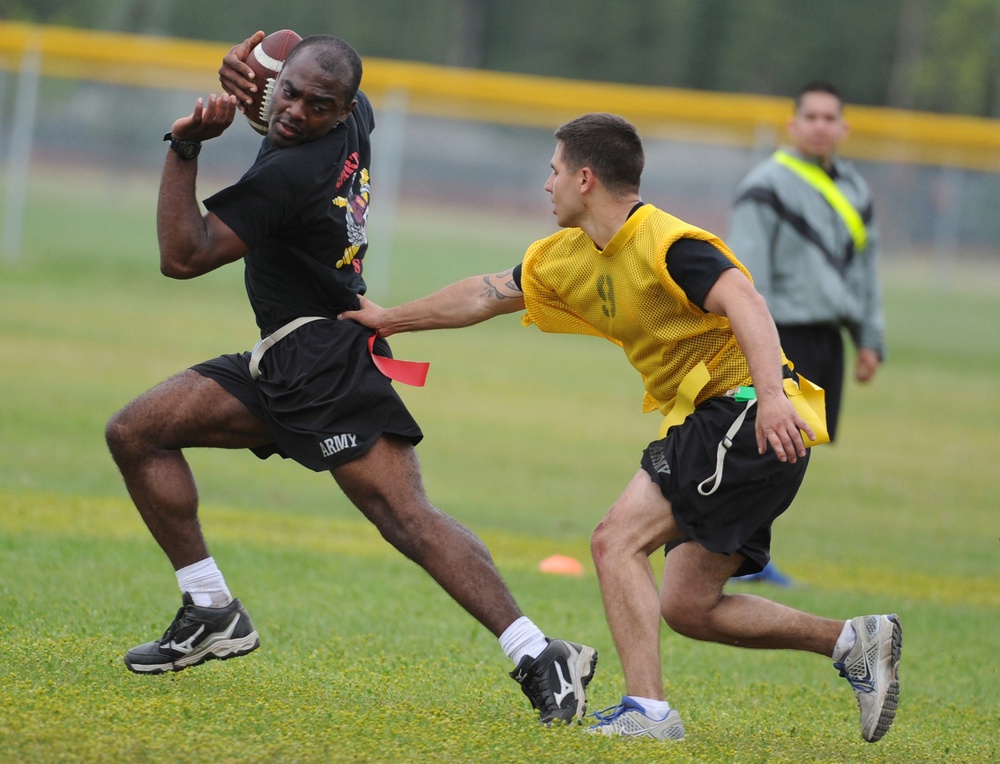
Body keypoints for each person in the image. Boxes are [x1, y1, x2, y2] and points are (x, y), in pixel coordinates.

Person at [339, 113, 902, 743]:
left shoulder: (670, 244)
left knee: (614, 541)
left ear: (585, 178)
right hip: (729, 424)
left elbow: (748, 301)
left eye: (553, 171)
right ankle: (853, 641)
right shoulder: (568, 256)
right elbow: (484, 293)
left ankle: (649, 713)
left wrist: (770, 397)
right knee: (688, 606)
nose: (545, 184)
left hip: (744, 413)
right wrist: (390, 320)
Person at [104, 31, 597, 726]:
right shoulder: (354, 120)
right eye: (291, 93)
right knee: (137, 432)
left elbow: (182, 256)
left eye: (316, 104)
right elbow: (298, 77)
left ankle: (539, 653)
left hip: (324, 365)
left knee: (406, 518)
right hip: (284, 356)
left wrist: (187, 144)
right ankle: (211, 608)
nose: (296, 111)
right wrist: (255, 88)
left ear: (341, 112)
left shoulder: (290, 177)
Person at [725, 81, 886, 588]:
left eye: (829, 117)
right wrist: (753, 342)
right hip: (778, 334)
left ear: (844, 127)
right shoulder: (767, 184)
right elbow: (745, 274)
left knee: (795, 450)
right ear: (793, 126)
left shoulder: (855, 191)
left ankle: (748, 552)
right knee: (762, 444)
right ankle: (735, 553)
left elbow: (864, 273)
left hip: (826, 338)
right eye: (810, 117)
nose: (820, 125)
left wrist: (868, 338)